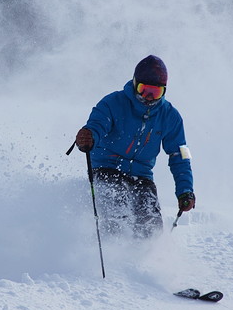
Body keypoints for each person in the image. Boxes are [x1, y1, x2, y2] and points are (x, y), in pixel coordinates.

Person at [74, 55, 195, 239]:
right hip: (108, 168)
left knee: (150, 223)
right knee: (117, 206)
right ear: (134, 83)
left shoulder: (170, 116)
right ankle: (109, 251)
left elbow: (180, 155)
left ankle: (144, 261)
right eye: (143, 90)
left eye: (155, 93)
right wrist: (90, 136)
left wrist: (185, 190)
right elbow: (98, 124)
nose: (148, 98)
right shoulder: (113, 103)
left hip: (142, 175)